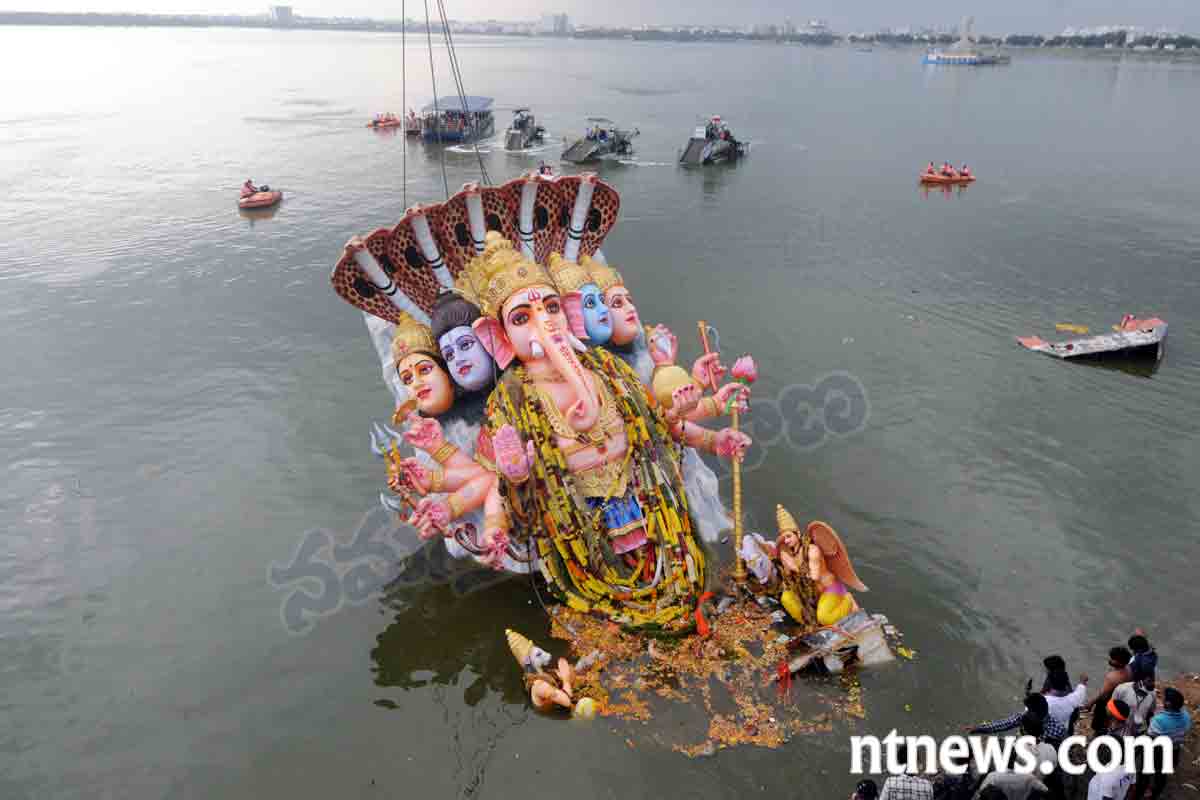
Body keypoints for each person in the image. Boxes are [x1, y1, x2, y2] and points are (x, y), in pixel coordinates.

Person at [1133, 686, 1191, 799]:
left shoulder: (1159, 720)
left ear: (1168, 704)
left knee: (1145, 773)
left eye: (1164, 698)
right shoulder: (1186, 716)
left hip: (1157, 751)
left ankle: (1138, 793)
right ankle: (1155, 794)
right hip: (1174, 750)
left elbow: (1149, 737)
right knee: (1161, 774)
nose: (1162, 699)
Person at [970, 693, 1067, 745]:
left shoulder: (1058, 730)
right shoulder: (1024, 717)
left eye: (1029, 710)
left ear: (1036, 713)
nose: (1026, 712)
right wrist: (978, 728)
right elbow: (1003, 724)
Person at [1087, 699, 1134, 800]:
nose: (1106, 709)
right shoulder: (1115, 725)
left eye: (1109, 708)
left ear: (1114, 715)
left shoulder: (1123, 737)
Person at [1086, 647, 1132, 735]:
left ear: (1119, 662)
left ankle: (1098, 734)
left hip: (1108, 702)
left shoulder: (1112, 677)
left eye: (1113, 659)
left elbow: (1103, 694)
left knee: (1100, 722)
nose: (1110, 660)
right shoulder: (1129, 670)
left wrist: (1090, 703)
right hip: (1121, 699)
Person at [1044, 670, 1089, 736]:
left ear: (1049, 683)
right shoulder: (1073, 699)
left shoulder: (1043, 701)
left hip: (1047, 735)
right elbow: (1081, 690)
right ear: (1066, 685)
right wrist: (1083, 681)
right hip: (1064, 734)